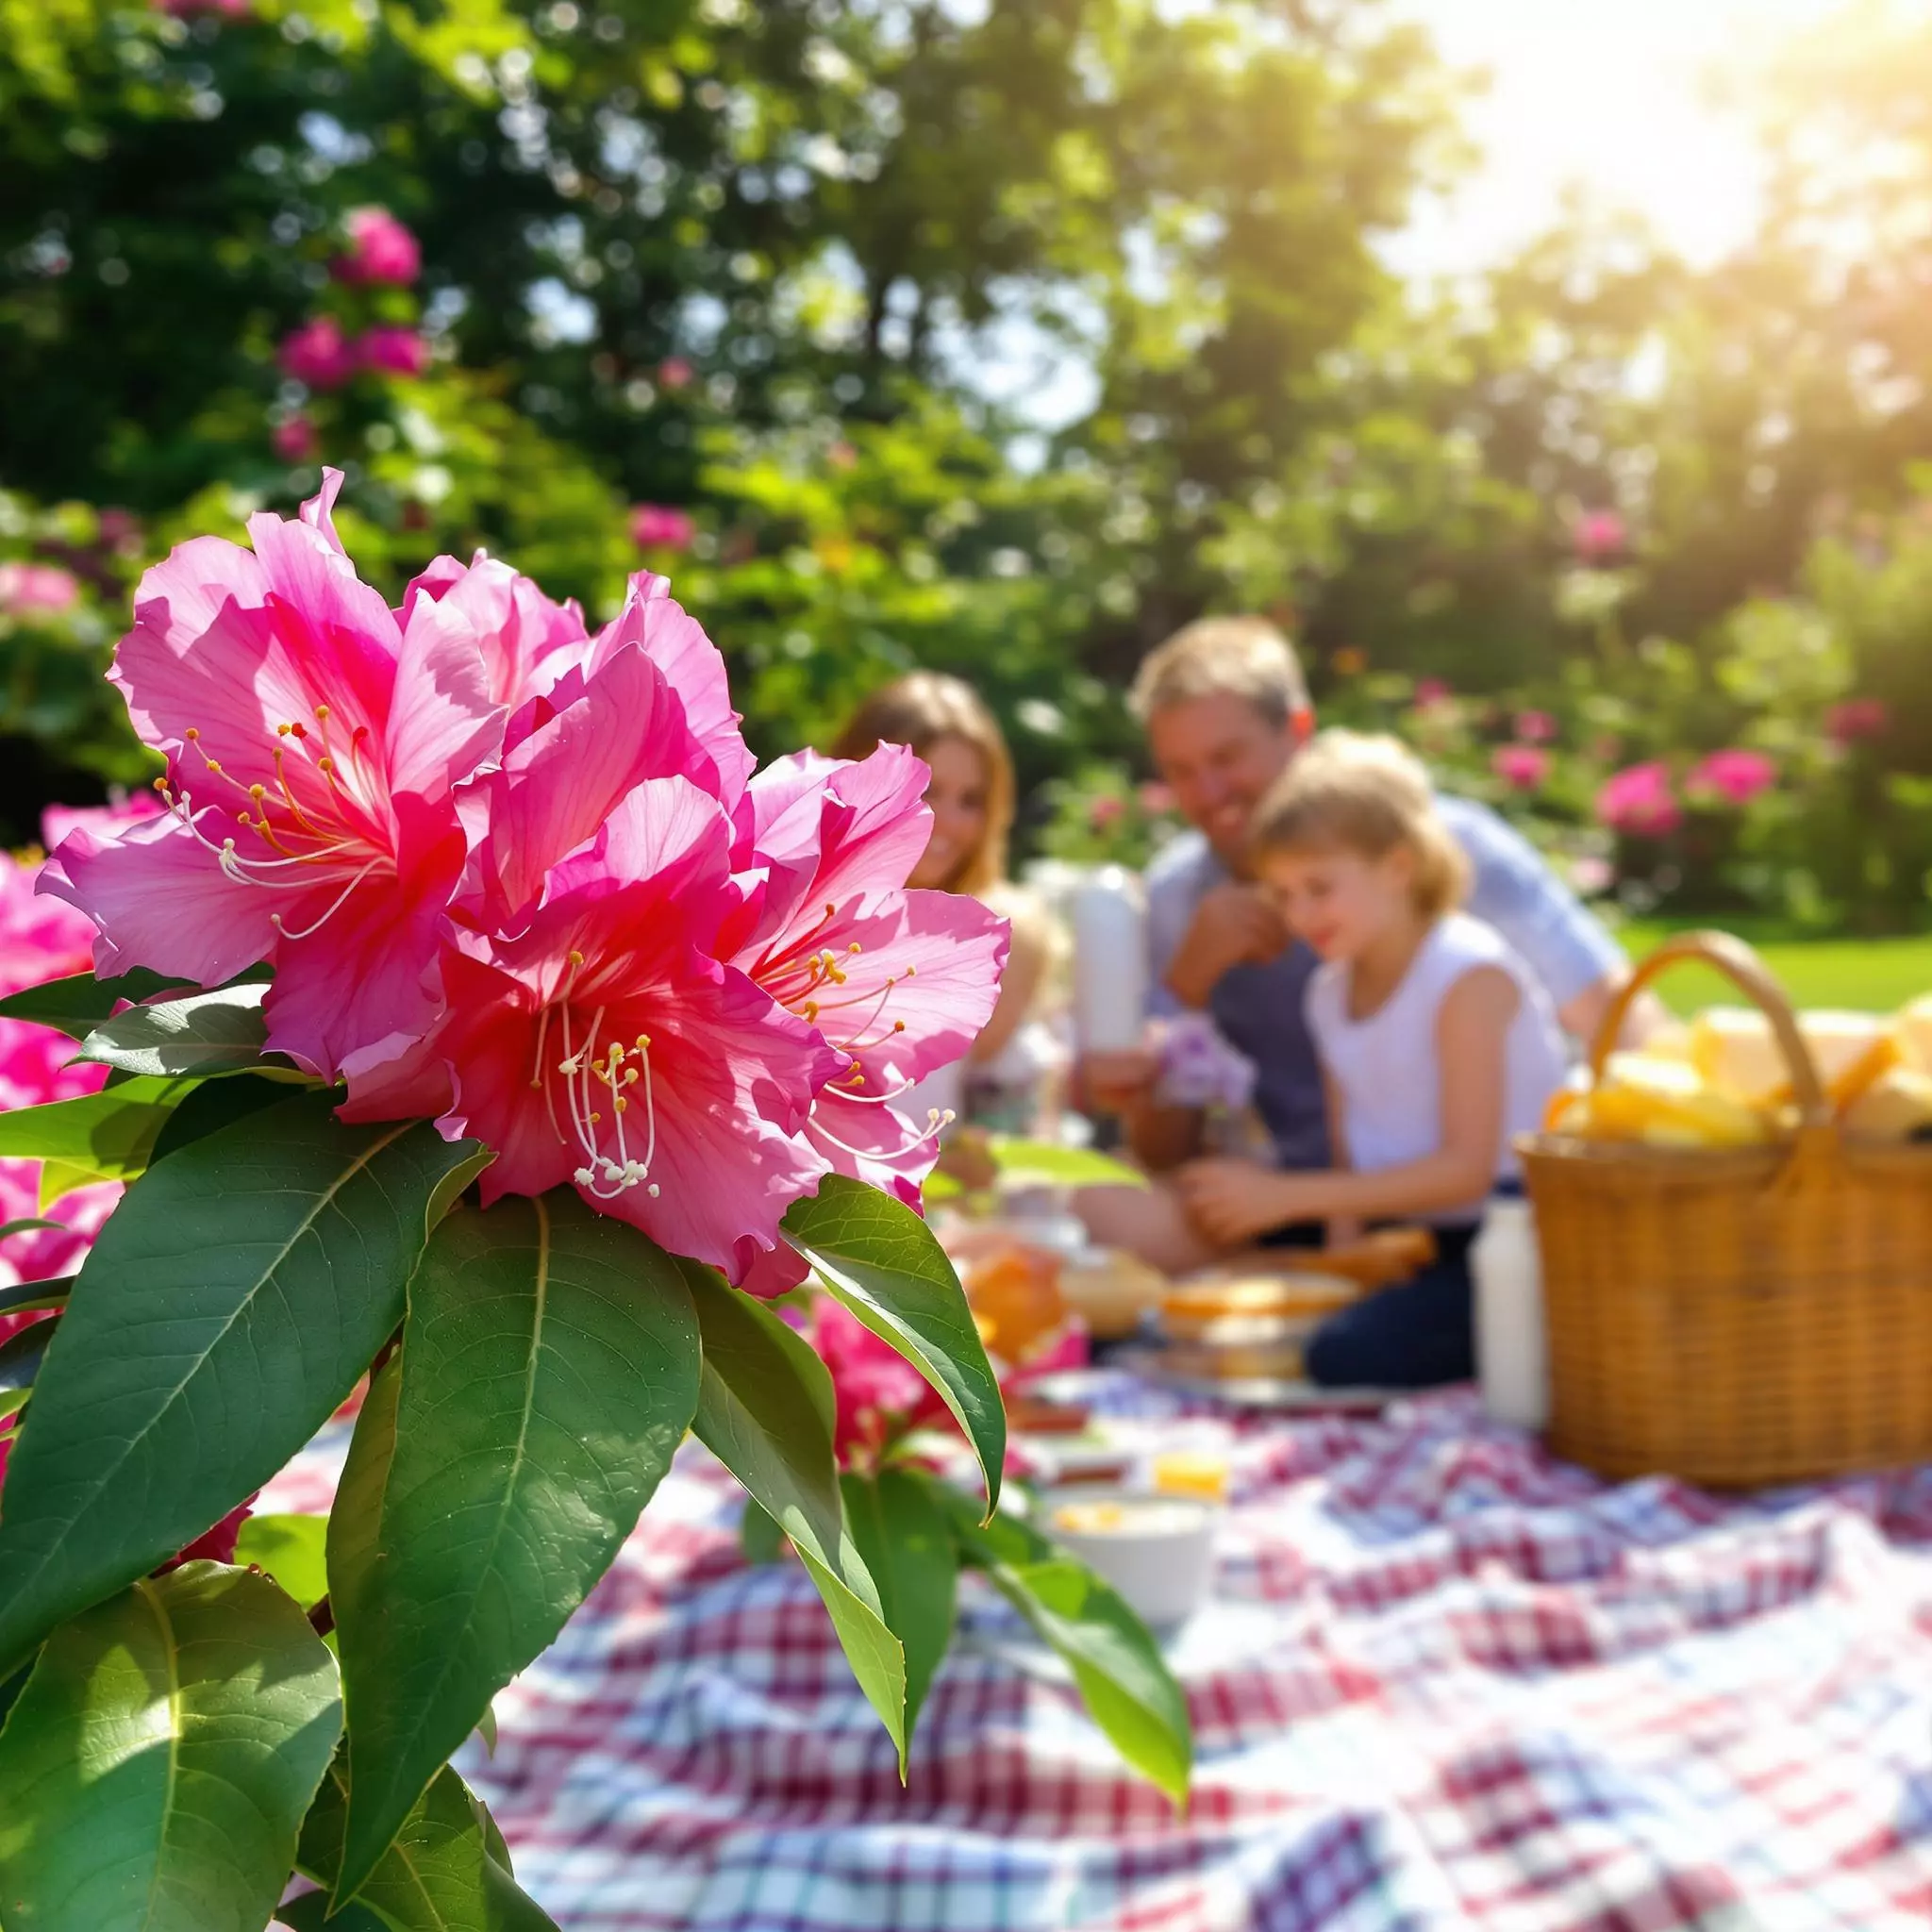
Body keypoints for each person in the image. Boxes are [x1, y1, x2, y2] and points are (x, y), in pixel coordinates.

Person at [1079, 615, 1661, 1273]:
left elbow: (1614, 1012)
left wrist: (1657, 1163)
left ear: (1297, 733)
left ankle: (1306, 1299)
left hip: (1474, 1202)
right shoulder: (1180, 896)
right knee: (1095, 1205)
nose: (1210, 795)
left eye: (1227, 758)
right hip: (1293, 1197)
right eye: (1181, 771)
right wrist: (1188, 986)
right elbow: (1163, 1154)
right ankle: (1315, 1289)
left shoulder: (1434, 846)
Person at [1177, 731, 1567, 1385]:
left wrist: (1285, 1199)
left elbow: (1466, 1172)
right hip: (1417, 1244)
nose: (1299, 915)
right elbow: (1347, 1156)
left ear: (1399, 866)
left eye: (1318, 888)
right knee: (1263, 1326)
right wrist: (1340, 1265)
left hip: (1522, 1241)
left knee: (1345, 1354)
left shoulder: (1467, 974)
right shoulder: (1329, 993)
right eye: (1282, 894)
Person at [831, 674, 1062, 1137]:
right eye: (929, 791)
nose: (950, 823)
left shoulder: (1008, 936)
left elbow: (1003, 1136)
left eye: (971, 801)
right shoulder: (799, 918)